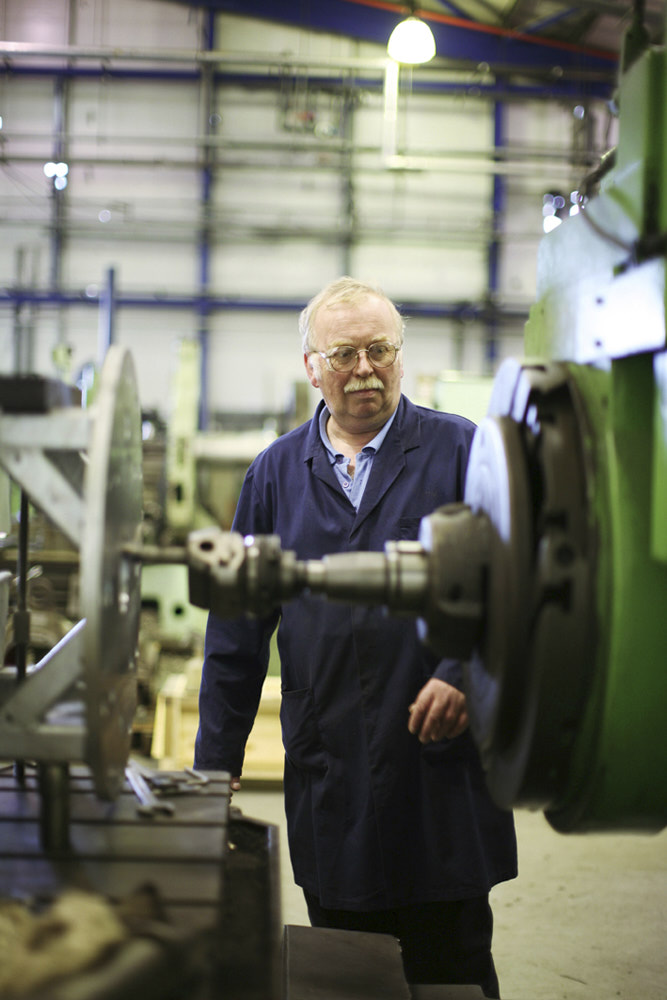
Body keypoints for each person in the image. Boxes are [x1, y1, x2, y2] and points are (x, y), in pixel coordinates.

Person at [194, 276, 517, 996]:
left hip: (441, 765)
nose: (365, 369)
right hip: (329, 760)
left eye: (379, 350)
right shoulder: (274, 474)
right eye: (344, 353)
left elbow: (514, 590)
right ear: (311, 366)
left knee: (451, 968)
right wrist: (215, 764)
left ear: (401, 356)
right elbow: (236, 634)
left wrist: (459, 673)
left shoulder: (463, 453)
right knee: (342, 970)